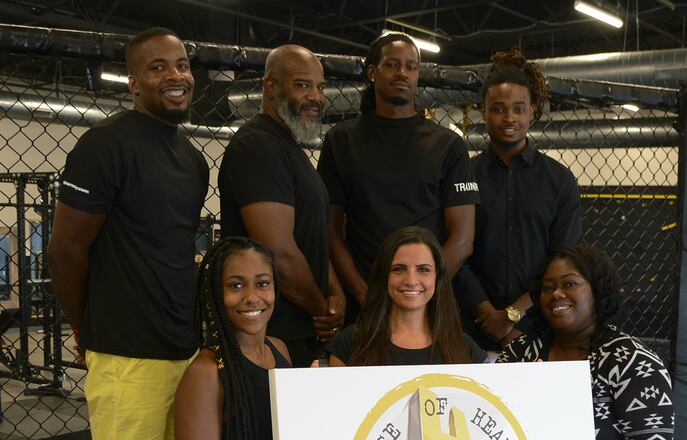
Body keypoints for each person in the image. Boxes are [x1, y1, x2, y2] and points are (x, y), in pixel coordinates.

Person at [47, 28, 209, 439]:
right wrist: (83, 326)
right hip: (125, 355)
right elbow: (65, 251)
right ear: (134, 84)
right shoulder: (104, 145)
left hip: (185, 350)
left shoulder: (193, 159)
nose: (175, 75)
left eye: (182, 65)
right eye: (158, 67)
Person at [317, 32, 479, 324]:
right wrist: (361, 292)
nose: (403, 73)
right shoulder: (341, 140)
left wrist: (420, 292)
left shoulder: (447, 144)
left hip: (429, 308)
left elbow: (463, 239)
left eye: (411, 66)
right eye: (392, 64)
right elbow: (330, 231)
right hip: (364, 305)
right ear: (372, 72)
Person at [218, 44, 345, 367]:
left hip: (300, 331)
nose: (316, 97)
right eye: (302, 85)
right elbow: (279, 253)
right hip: (269, 336)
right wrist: (322, 311)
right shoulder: (257, 147)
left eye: (320, 87)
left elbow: (311, 236)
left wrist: (335, 294)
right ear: (271, 87)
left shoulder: (289, 148)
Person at [455, 47, 582, 351]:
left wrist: (511, 316)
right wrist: (486, 314)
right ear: (483, 110)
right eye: (498, 108)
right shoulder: (463, 175)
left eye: (519, 108)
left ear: (533, 110)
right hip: (472, 332)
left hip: (542, 327)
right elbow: (456, 254)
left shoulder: (560, 180)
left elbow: (563, 258)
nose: (509, 117)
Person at [498, 244, 674, 440]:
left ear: (598, 291)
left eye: (570, 284)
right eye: (547, 288)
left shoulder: (633, 363)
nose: (556, 293)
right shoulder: (520, 352)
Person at [174, 236, 290, 440]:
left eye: (262, 283)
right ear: (216, 292)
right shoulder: (206, 373)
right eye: (236, 286)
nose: (252, 298)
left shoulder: (279, 349)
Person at [326, 226, 486, 366]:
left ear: (437, 278)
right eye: (398, 269)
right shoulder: (350, 343)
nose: (411, 281)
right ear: (384, 276)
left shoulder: (466, 348)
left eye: (423, 269)